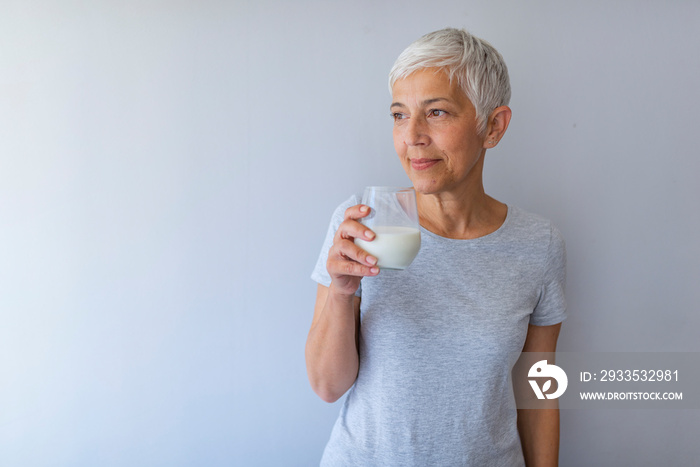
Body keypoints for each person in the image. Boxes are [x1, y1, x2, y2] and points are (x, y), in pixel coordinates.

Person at [306, 27, 566, 466]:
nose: (412, 136)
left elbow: (538, 393)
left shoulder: (539, 245)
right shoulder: (361, 224)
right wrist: (341, 292)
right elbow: (328, 386)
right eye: (399, 115)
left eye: (438, 112)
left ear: (493, 126)